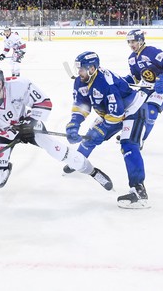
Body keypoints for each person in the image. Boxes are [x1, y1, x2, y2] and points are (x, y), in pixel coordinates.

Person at [0, 64, 113, 192]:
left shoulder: (19, 85)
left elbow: (44, 103)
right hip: (2, 134)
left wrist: (31, 122)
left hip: (27, 126)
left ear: (0, 83)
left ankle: (92, 171)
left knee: (56, 149)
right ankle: (4, 170)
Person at [62, 51, 150, 209]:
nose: (78, 72)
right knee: (91, 137)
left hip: (133, 111)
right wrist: (74, 124)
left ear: (92, 68)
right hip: (111, 113)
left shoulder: (105, 82)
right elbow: (81, 104)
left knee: (128, 145)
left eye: (81, 69)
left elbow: (118, 113)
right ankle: (78, 160)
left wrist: (102, 128)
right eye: (78, 69)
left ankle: (139, 191)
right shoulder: (81, 81)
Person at [124, 29, 163, 146]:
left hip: (162, 88)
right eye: (129, 42)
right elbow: (136, 78)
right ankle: (131, 135)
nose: (131, 45)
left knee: (150, 112)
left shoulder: (151, 52)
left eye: (133, 41)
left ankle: (140, 140)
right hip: (146, 87)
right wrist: (121, 81)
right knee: (135, 110)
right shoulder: (132, 58)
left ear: (141, 40)